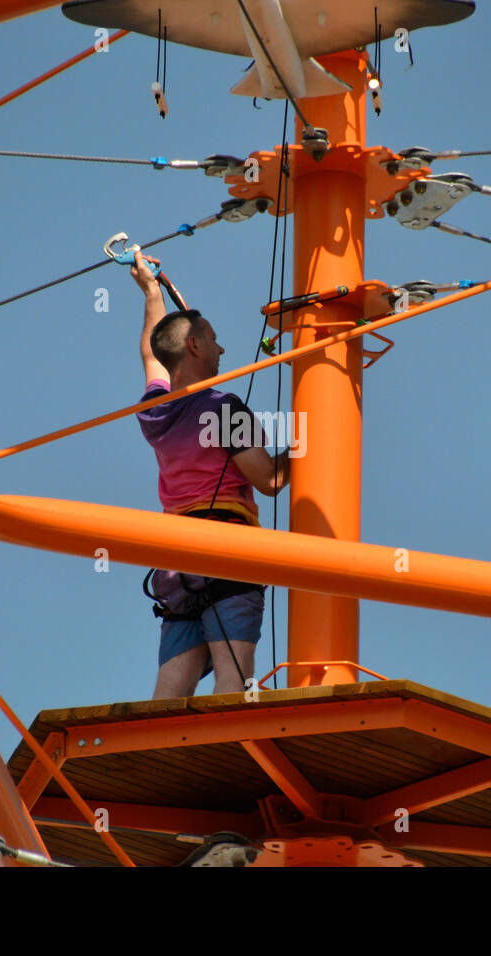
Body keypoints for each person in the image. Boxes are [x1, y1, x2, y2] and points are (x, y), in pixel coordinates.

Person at [130, 249, 290, 698]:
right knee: (232, 676)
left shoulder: (154, 410)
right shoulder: (223, 409)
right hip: (226, 550)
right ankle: (232, 760)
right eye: (214, 339)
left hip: (177, 563)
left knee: (170, 691)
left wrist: (150, 290)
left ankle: (157, 759)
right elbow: (271, 480)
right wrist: (304, 445)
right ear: (196, 346)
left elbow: (152, 350)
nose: (222, 348)